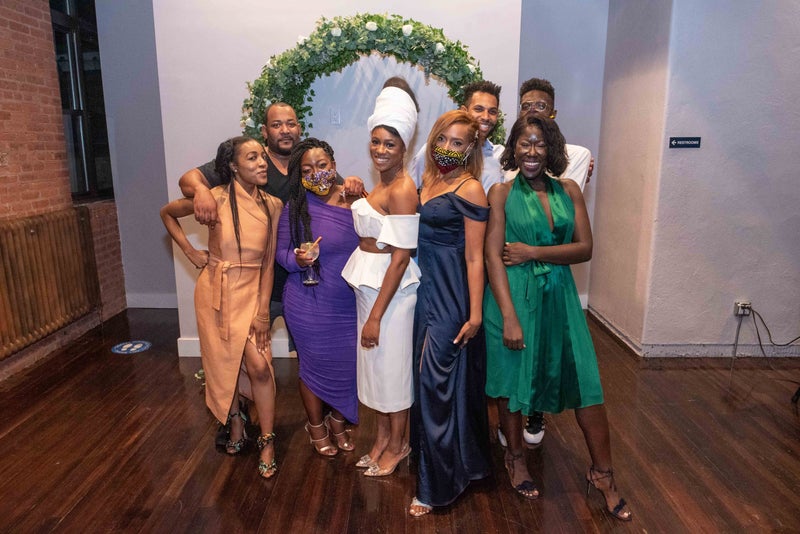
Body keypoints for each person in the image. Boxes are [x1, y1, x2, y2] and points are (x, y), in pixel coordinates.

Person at [483, 114, 631, 520]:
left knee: (586, 382)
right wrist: (509, 317)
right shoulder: (500, 193)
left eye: (540, 143)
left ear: (551, 149)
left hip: (560, 297)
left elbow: (585, 248)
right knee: (512, 382)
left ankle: (603, 474)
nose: (532, 151)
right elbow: (493, 256)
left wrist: (533, 252)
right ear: (513, 149)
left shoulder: (569, 190)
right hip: (513, 296)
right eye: (524, 143)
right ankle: (516, 459)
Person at [178, 103, 364, 351]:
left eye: (290, 124)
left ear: (299, 128)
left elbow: (339, 193)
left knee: (307, 352)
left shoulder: (308, 163)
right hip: (257, 284)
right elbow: (187, 180)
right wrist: (201, 190)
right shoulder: (253, 161)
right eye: (277, 125)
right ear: (265, 131)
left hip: (302, 282)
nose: (285, 130)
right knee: (252, 359)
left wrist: (353, 183)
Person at [161, 136, 283, 479]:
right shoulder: (213, 197)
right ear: (233, 166)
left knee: (260, 366)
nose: (262, 163)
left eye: (262, 157)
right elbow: (167, 213)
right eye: (252, 158)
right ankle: (236, 424)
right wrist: (191, 252)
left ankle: (267, 440)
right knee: (222, 363)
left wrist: (263, 311)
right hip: (216, 291)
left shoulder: (273, 205)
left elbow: (269, 265)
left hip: (252, 293)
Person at [409, 109, 491, 517]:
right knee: (425, 384)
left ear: (471, 147)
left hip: (452, 297)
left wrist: (475, 315)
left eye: (457, 142)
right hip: (423, 293)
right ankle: (446, 465)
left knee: (434, 385)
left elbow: (475, 258)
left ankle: (436, 487)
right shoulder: (427, 179)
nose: (446, 147)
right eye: (442, 138)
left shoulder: (471, 188)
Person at [341, 78, 421, 477]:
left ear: (404, 147)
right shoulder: (379, 184)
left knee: (393, 371)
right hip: (369, 286)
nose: (380, 150)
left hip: (392, 293)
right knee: (375, 368)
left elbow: (402, 258)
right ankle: (381, 438)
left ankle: (399, 444)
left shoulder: (403, 189)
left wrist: (375, 317)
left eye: (390, 144)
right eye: (375, 142)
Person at [275, 138, 360, 457]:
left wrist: (359, 190)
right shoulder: (294, 208)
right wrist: (297, 260)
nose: (316, 173)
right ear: (300, 176)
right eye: (307, 169)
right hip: (307, 301)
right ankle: (316, 427)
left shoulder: (354, 199)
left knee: (350, 364)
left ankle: (338, 422)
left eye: (322, 166)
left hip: (349, 302)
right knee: (312, 367)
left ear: (334, 166)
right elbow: (281, 254)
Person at [409, 80, 504, 193]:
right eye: (479, 109)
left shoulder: (499, 155)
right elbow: (412, 192)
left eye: (492, 112)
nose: (486, 117)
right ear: (464, 111)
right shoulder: (433, 152)